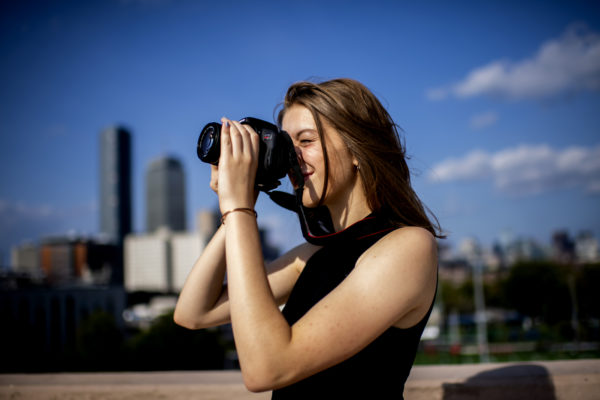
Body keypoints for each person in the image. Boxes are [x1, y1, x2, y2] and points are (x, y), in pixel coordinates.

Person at [174, 78, 444, 398]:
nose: (293, 158)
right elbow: (194, 312)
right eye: (287, 146)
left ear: (357, 149)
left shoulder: (409, 247)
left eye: (306, 141)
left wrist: (239, 208)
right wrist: (237, 205)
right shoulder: (313, 254)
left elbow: (266, 369)